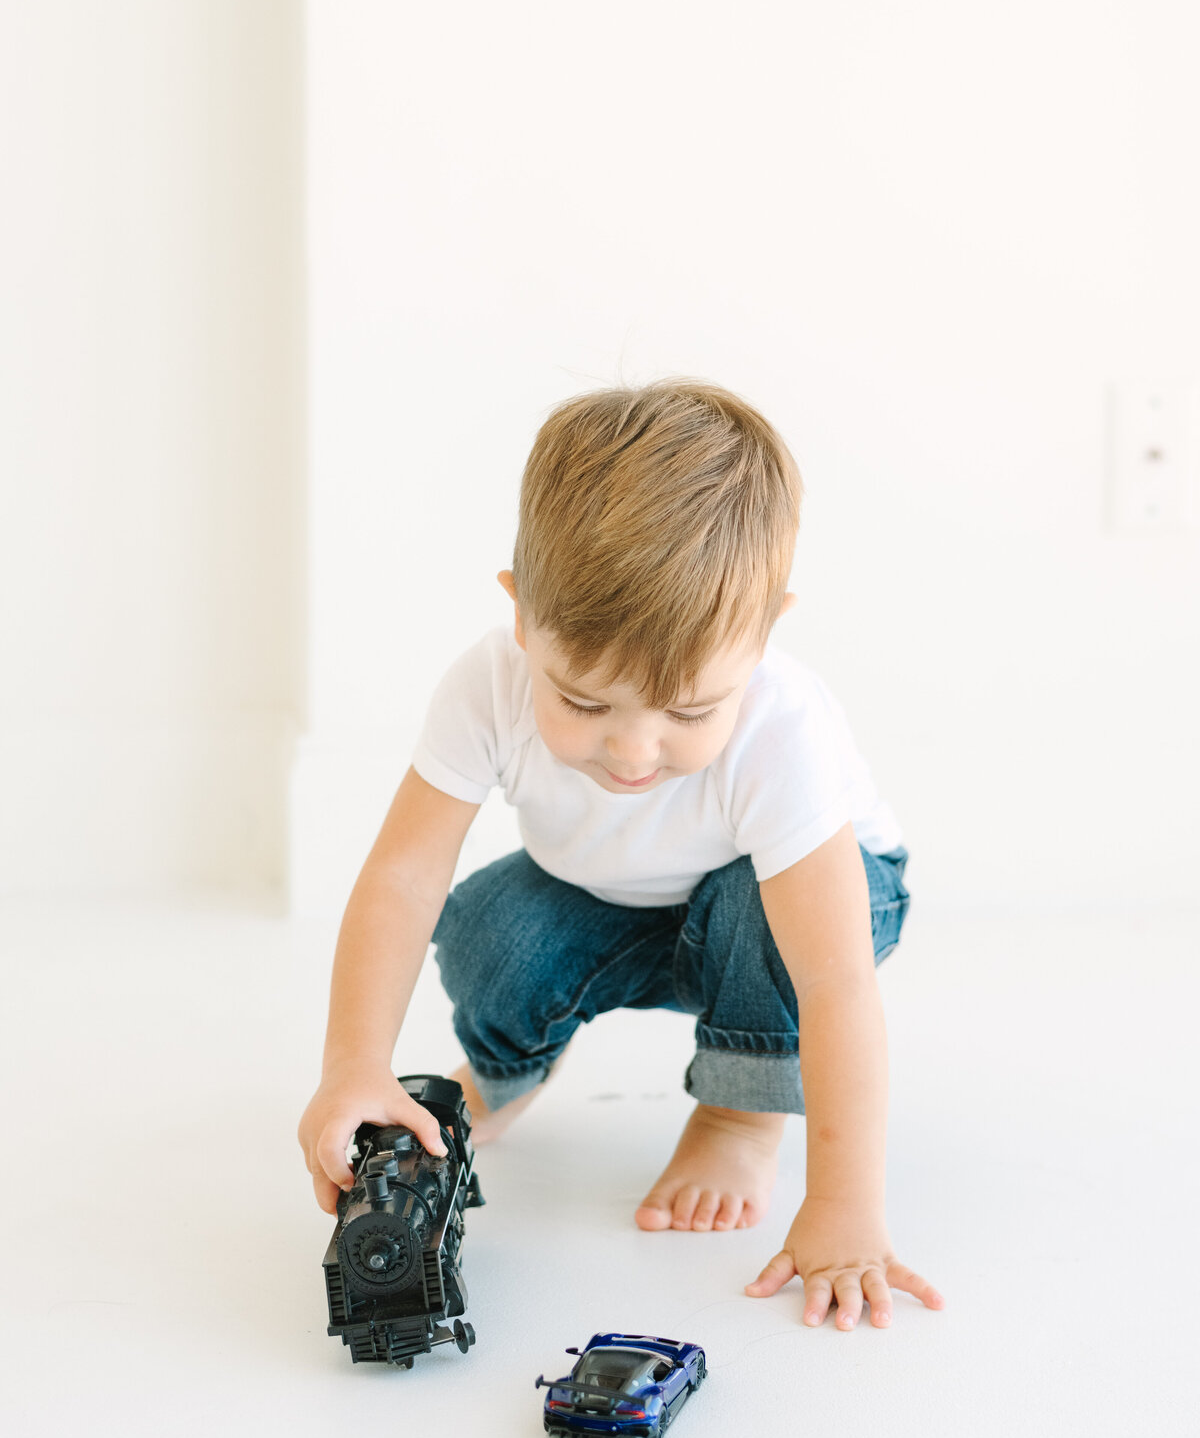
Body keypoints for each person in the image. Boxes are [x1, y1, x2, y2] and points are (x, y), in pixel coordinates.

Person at [298, 379, 945, 1332]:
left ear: (763, 637)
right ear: (522, 618)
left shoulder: (783, 732)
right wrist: (352, 1063)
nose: (635, 752)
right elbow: (402, 877)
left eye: (689, 713)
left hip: (799, 914)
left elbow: (838, 979)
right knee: (489, 928)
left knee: (748, 910)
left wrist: (846, 1204)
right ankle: (507, 1079)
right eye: (586, 704)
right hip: (615, 895)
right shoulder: (487, 685)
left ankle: (740, 1111)